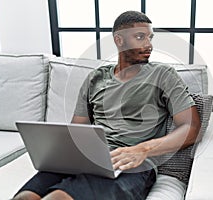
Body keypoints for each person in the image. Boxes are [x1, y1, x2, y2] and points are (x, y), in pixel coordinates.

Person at [13, 11, 200, 200]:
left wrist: (142, 149)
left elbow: (191, 126)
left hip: (133, 166)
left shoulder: (163, 75)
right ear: (119, 40)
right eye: (140, 37)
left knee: (58, 198)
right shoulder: (96, 78)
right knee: (25, 197)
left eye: (150, 38)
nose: (148, 45)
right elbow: (77, 128)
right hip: (88, 159)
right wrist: (59, 154)